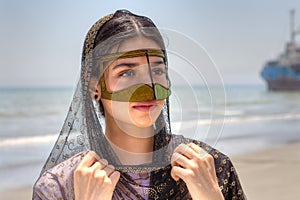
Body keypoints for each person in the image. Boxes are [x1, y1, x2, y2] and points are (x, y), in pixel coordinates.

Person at [33, 10, 246, 199]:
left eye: (157, 71)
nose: (149, 88)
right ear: (95, 87)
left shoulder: (210, 169)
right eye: (127, 72)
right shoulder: (58, 188)